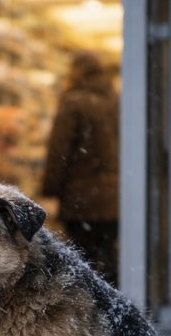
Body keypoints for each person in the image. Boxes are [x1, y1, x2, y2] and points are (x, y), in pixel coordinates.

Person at [43, 51, 120, 286]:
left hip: (82, 198)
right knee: (107, 257)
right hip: (114, 197)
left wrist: (50, 190)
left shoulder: (73, 103)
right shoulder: (115, 103)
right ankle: (114, 308)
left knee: (81, 259)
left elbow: (59, 151)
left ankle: (88, 313)